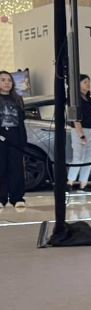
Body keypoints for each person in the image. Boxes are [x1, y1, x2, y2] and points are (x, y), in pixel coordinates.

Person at [0, 70, 27, 211]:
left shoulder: (18, 99)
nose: (7, 83)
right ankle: (1, 198)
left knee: (16, 167)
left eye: (9, 80)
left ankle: (17, 197)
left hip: (15, 136)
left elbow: (21, 120)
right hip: (1, 136)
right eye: (3, 80)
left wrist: (23, 140)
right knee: (1, 167)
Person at [67, 74, 91, 191]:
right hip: (79, 130)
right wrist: (81, 135)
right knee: (78, 157)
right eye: (85, 82)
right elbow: (75, 119)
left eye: (89, 82)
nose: (88, 84)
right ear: (78, 84)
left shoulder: (89, 99)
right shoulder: (74, 99)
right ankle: (69, 182)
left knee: (89, 158)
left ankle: (83, 184)